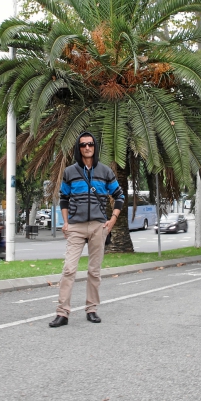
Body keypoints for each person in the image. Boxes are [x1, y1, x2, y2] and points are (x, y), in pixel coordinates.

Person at [49, 132, 124, 328]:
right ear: (78, 148)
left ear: (95, 147)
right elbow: (64, 198)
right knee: (69, 269)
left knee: (94, 271)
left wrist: (113, 219)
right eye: (83, 145)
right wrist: (65, 222)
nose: (87, 147)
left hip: (99, 226)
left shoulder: (105, 171)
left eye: (90, 144)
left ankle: (92, 309)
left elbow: (120, 196)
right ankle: (62, 313)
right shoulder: (70, 172)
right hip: (76, 226)